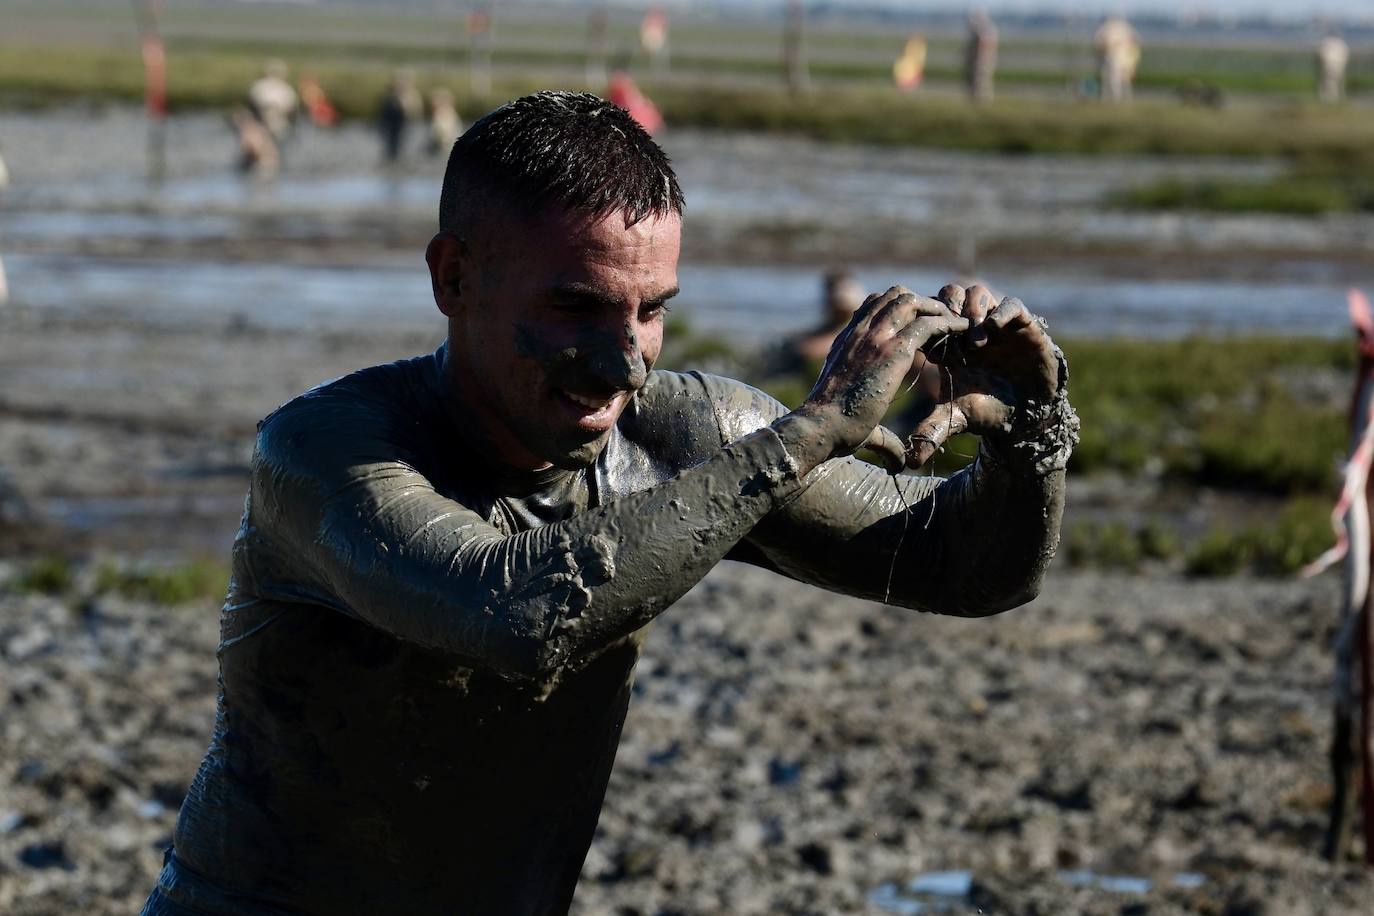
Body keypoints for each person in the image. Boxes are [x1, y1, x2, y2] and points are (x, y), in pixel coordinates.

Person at [141, 91, 1077, 916]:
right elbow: (516, 612)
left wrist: (1029, 429)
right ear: (452, 278)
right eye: (578, 308)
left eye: (651, 311)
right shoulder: (326, 452)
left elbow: (970, 568)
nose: (625, 361)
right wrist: (806, 437)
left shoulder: (688, 436)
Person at [247, 59, 299, 145]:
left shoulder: (286, 90)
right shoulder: (260, 87)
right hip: (263, 124)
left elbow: (291, 109)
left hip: (278, 124)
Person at [379, 68, 423, 164]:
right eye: (399, 81)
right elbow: (383, 115)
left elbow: (415, 114)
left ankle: (402, 160)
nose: (401, 84)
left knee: (405, 147)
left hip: (406, 127)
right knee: (391, 147)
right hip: (392, 128)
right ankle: (392, 160)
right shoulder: (390, 97)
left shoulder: (413, 96)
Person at [1094, 15, 1140, 103]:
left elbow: (1134, 42)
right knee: (1110, 78)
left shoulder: (1125, 28)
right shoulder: (1107, 29)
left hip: (1122, 58)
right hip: (1110, 57)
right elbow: (1099, 43)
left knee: (1120, 78)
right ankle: (1112, 97)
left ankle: (1119, 97)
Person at [965, 9, 999, 103]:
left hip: (981, 61)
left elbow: (984, 46)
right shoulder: (987, 30)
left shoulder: (984, 31)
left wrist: (979, 59)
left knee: (981, 80)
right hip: (981, 61)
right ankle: (977, 99)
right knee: (977, 80)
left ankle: (981, 100)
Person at [1317, 30, 1350, 103]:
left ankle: (1329, 98)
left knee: (1328, 81)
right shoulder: (1340, 43)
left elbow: (1320, 54)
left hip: (1331, 64)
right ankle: (1333, 97)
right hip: (1337, 64)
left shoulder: (1326, 42)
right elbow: (1345, 54)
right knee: (1333, 81)